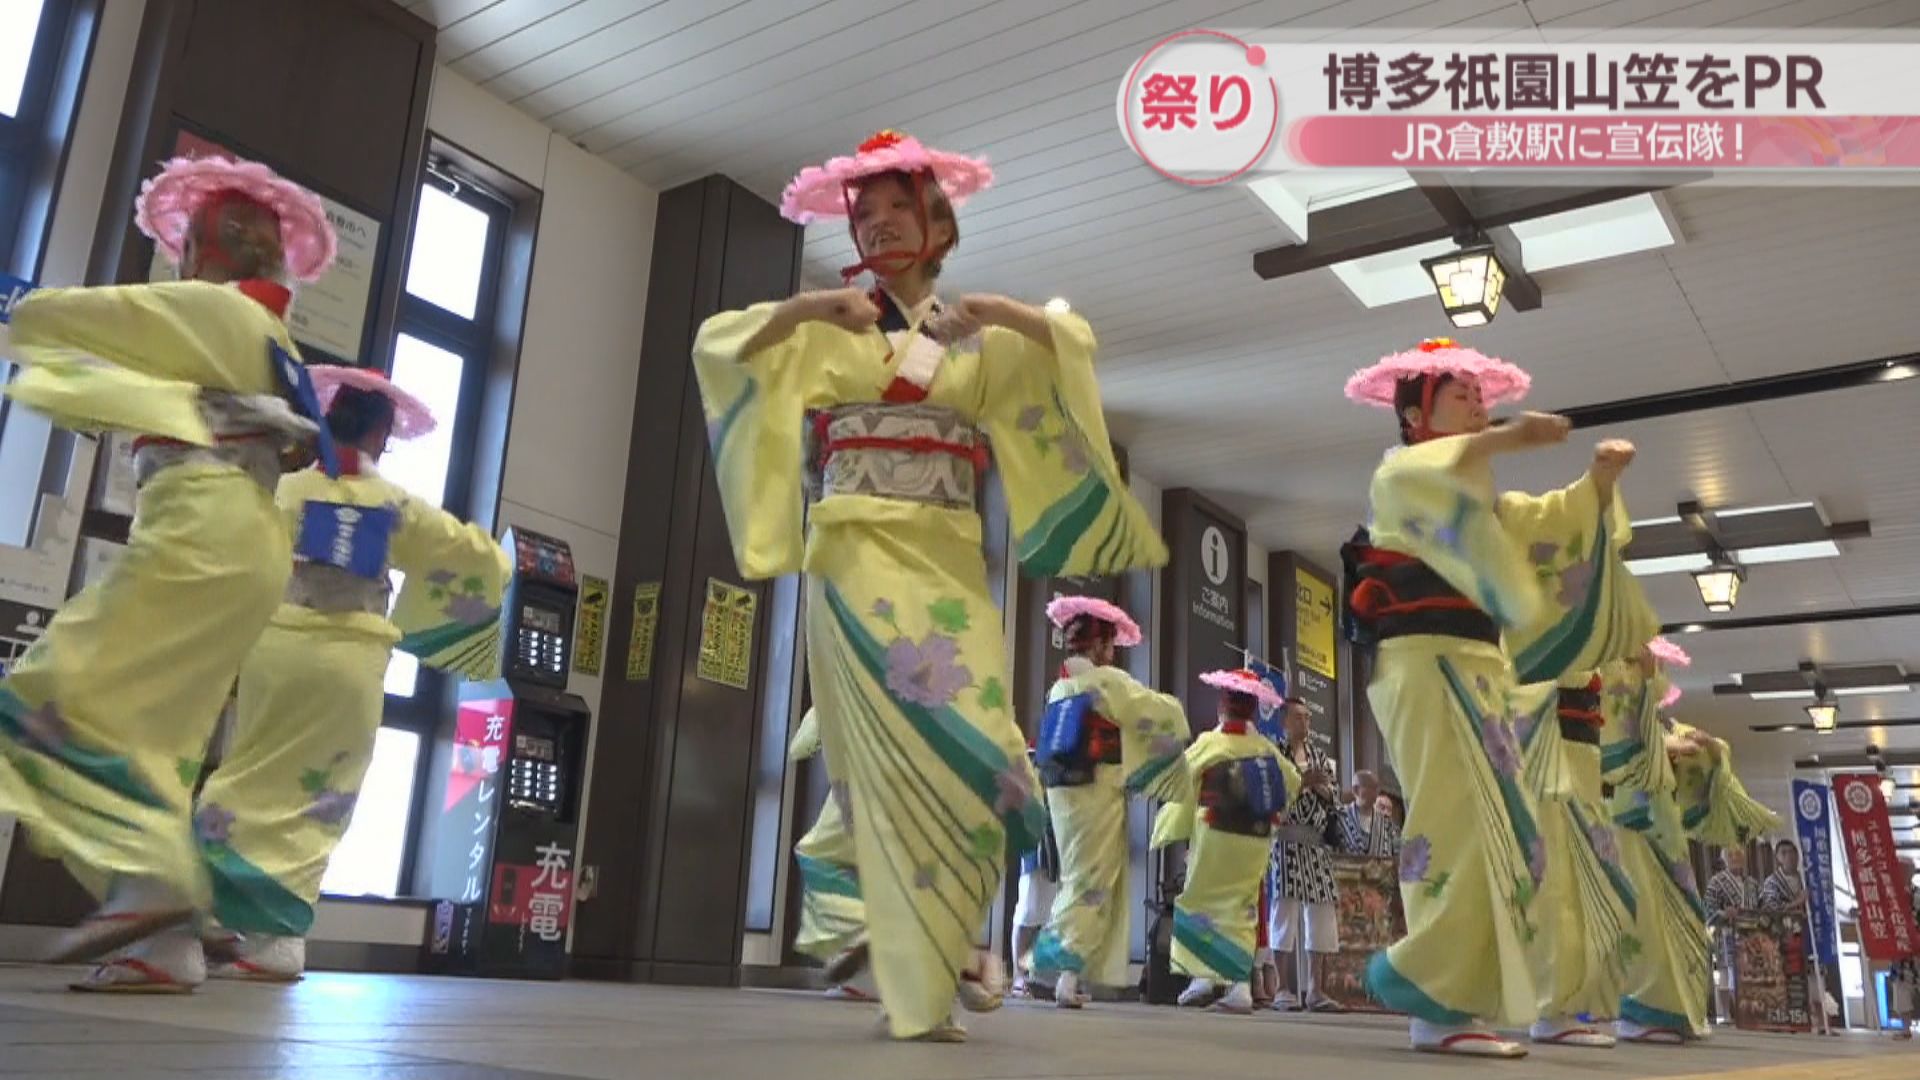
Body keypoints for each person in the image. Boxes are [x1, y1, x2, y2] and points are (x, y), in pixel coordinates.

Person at [692, 129, 1166, 1042]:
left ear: (935, 222)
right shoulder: (831, 327)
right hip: (854, 562)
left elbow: (1073, 346)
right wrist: (804, 309)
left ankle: (933, 944)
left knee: (989, 756)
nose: (876, 228)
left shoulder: (972, 340)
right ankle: (911, 966)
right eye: (861, 215)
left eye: (895, 211)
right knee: (880, 774)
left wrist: (993, 311)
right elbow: (724, 351)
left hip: (948, 564)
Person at [69, 366, 510, 991]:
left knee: (244, 776)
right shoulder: (399, 507)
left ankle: (173, 937)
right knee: (322, 796)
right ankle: (281, 941)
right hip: (353, 666)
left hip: (279, 650)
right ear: (382, 434)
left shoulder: (282, 494)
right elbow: (481, 559)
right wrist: (425, 623)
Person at [0, 155, 335, 970]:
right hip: (245, 541)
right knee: (154, 736)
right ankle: (171, 940)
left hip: (202, 525)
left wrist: (15, 302)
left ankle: (156, 889)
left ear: (209, 252)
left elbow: (99, 317)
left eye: (187, 243)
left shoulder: (216, 313)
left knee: (51, 696)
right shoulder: (269, 331)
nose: (179, 259)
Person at [1342, 337, 1650, 1057]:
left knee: (1509, 831)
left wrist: (1596, 485)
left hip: (1481, 668)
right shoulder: (1402, 476)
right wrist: (1514, 436)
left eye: (1482, 396)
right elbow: (1427, 473)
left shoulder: (1488, 504)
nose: (1478, 404)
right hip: (1426, 660)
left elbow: (1549, 527)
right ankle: (1432, 995)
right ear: (1416, 416)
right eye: (1460, 395)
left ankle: (1460, 997)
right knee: (1456, 822)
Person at [1029, 596, 1189, 1008]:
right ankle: (1059, 965)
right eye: (1110, 645)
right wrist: (1176, 714)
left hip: (1063, 792)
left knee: (1078, 873)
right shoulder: (1108, 682)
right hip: (1097, 787)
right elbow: (1159, 713)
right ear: (1099, 647)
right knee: (1093, 880)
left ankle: (1063, 970)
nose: (1112, 652)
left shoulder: (1060, 687)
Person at [1151, 669, 1298, 1015]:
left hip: (1216, 832)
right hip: (1254, 839)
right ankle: (1238, 987)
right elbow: (1291, 782)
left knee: (1199, 901)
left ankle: (1203, 977)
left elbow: (1180, 781)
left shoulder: (1212, 742)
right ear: (1251, 709)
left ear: (1223, 705)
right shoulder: (1264, 747)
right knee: (1242, 908)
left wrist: (1174, 824)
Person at [785, 707, 873, 1002]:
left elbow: (799, 747)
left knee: (817, 856)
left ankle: (858, 931)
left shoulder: (842, 678)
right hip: (906, 798)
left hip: (854, 794)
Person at [1268, 698, 1346, 1013]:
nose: (1305, 723)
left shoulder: (1319, 756)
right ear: (1284, 721)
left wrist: (1325, 789)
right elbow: (1272, 794)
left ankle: (1316, 989)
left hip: (1315, 842)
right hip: (1285, 840)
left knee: (1322, 914)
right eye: (1298, 717)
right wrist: (1302, 783)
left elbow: (1335, 795)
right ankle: (1282, 988)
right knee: (1284, 912)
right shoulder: (1274, 753)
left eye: (1308, 718)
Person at [1706, 846, 1762, 1020]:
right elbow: (1707, 908)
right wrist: (1723, 913)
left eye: (1738, 854)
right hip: (1726, 933)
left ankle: (1747, 1012)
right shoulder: (1716, 882)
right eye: (1731, 855)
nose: (1735, 858)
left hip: (1750, 934)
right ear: (1724, 859)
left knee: (1749, 973)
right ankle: (1727, 1014)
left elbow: (1761, 907)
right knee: (1725, 973)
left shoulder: (1752, 883)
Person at [1342, 770, 1401, 858]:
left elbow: (1399, 851)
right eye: (1370, 787)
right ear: (1356, 790)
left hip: (1381, 870)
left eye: (1376, 788)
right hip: (1348, 870)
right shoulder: (1340, 817)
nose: (1374, 793)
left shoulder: (1387, 823)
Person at [1760, 840, 1808, 914]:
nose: (1789, 856)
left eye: (1792, 852)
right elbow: (1771, 907)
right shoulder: (1771, 881)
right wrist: (1798, 901)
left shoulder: (1806, 878)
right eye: (1784, 853)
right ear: (1777, 857)